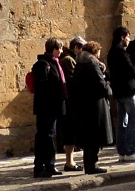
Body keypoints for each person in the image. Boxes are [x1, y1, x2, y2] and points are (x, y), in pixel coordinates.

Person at [68, 40, 112, 174]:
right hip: (95, 106)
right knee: (94, 137)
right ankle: (92, 165)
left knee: (88, 138)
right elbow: (100, 85)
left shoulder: (80, 63)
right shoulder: (91, 64)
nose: (99, 55)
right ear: (94, 51)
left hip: (83, 105)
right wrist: (108, 86)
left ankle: (89, 165)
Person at [107, 27, 135, 162]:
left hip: (119, 91)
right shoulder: (120, 53)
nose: (129, 40)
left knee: (123, 122)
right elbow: (131, 71)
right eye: (128, 37)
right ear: (123, 37)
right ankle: (129, 150)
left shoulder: (112, 52)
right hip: (127, 91)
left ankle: (122, 152)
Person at [32, 37, 67, 179]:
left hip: (52, 107)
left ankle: (46, 166)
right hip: (46, 107)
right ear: (54, 49)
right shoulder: (43, 64)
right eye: (60, 48)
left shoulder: (54, 63)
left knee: (47, 136)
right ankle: (45, 166)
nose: (62, 51)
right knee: (45, 137)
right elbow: (44, 87)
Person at [59, 36, 85, 171]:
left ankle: (70, 161)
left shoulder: (69, 58)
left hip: (70, 101)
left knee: (70, 132)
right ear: (76, 48)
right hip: (70, 102)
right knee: (69, 132)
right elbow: (74, 80)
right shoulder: (69, 60)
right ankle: (69, 162)